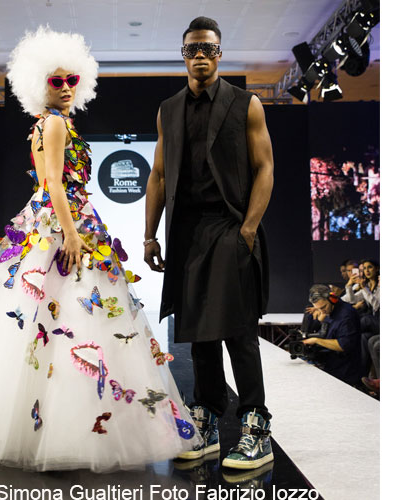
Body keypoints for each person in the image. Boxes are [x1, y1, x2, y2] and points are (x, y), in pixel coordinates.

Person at [0, 26, 202, 472]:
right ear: (40, 85)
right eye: (57, 81)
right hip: (63, 224)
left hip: (56, 222)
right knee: (72, 316)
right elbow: (53, 182)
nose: (67, 87)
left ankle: (50, 426)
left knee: (53, 319)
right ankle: (70, 429)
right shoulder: (53, 123)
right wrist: (72, 234)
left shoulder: (51, 123)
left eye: (72, 79)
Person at [143, 17, 274, 470]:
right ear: (183, 55)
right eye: (193, 49)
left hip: (230, 225)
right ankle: (208, 418)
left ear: (220, 54)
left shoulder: (246, 103)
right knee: (197, 332)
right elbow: (158, 175)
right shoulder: (168, 109)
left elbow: (265, 168)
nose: (200, 55)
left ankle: (256, 426)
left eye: (209, 48)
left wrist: (248, 229)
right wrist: (149, 235)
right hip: (187, 231)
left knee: (239, 330)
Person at [302, 284, 364, 386]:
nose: (322, 311)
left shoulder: (346, 315)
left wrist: (316, 340)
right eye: (318, 309)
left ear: (332, 299)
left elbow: (343, 345)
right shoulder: (330, 311)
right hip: (332, 364)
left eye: (323, 307)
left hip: (345, 372)